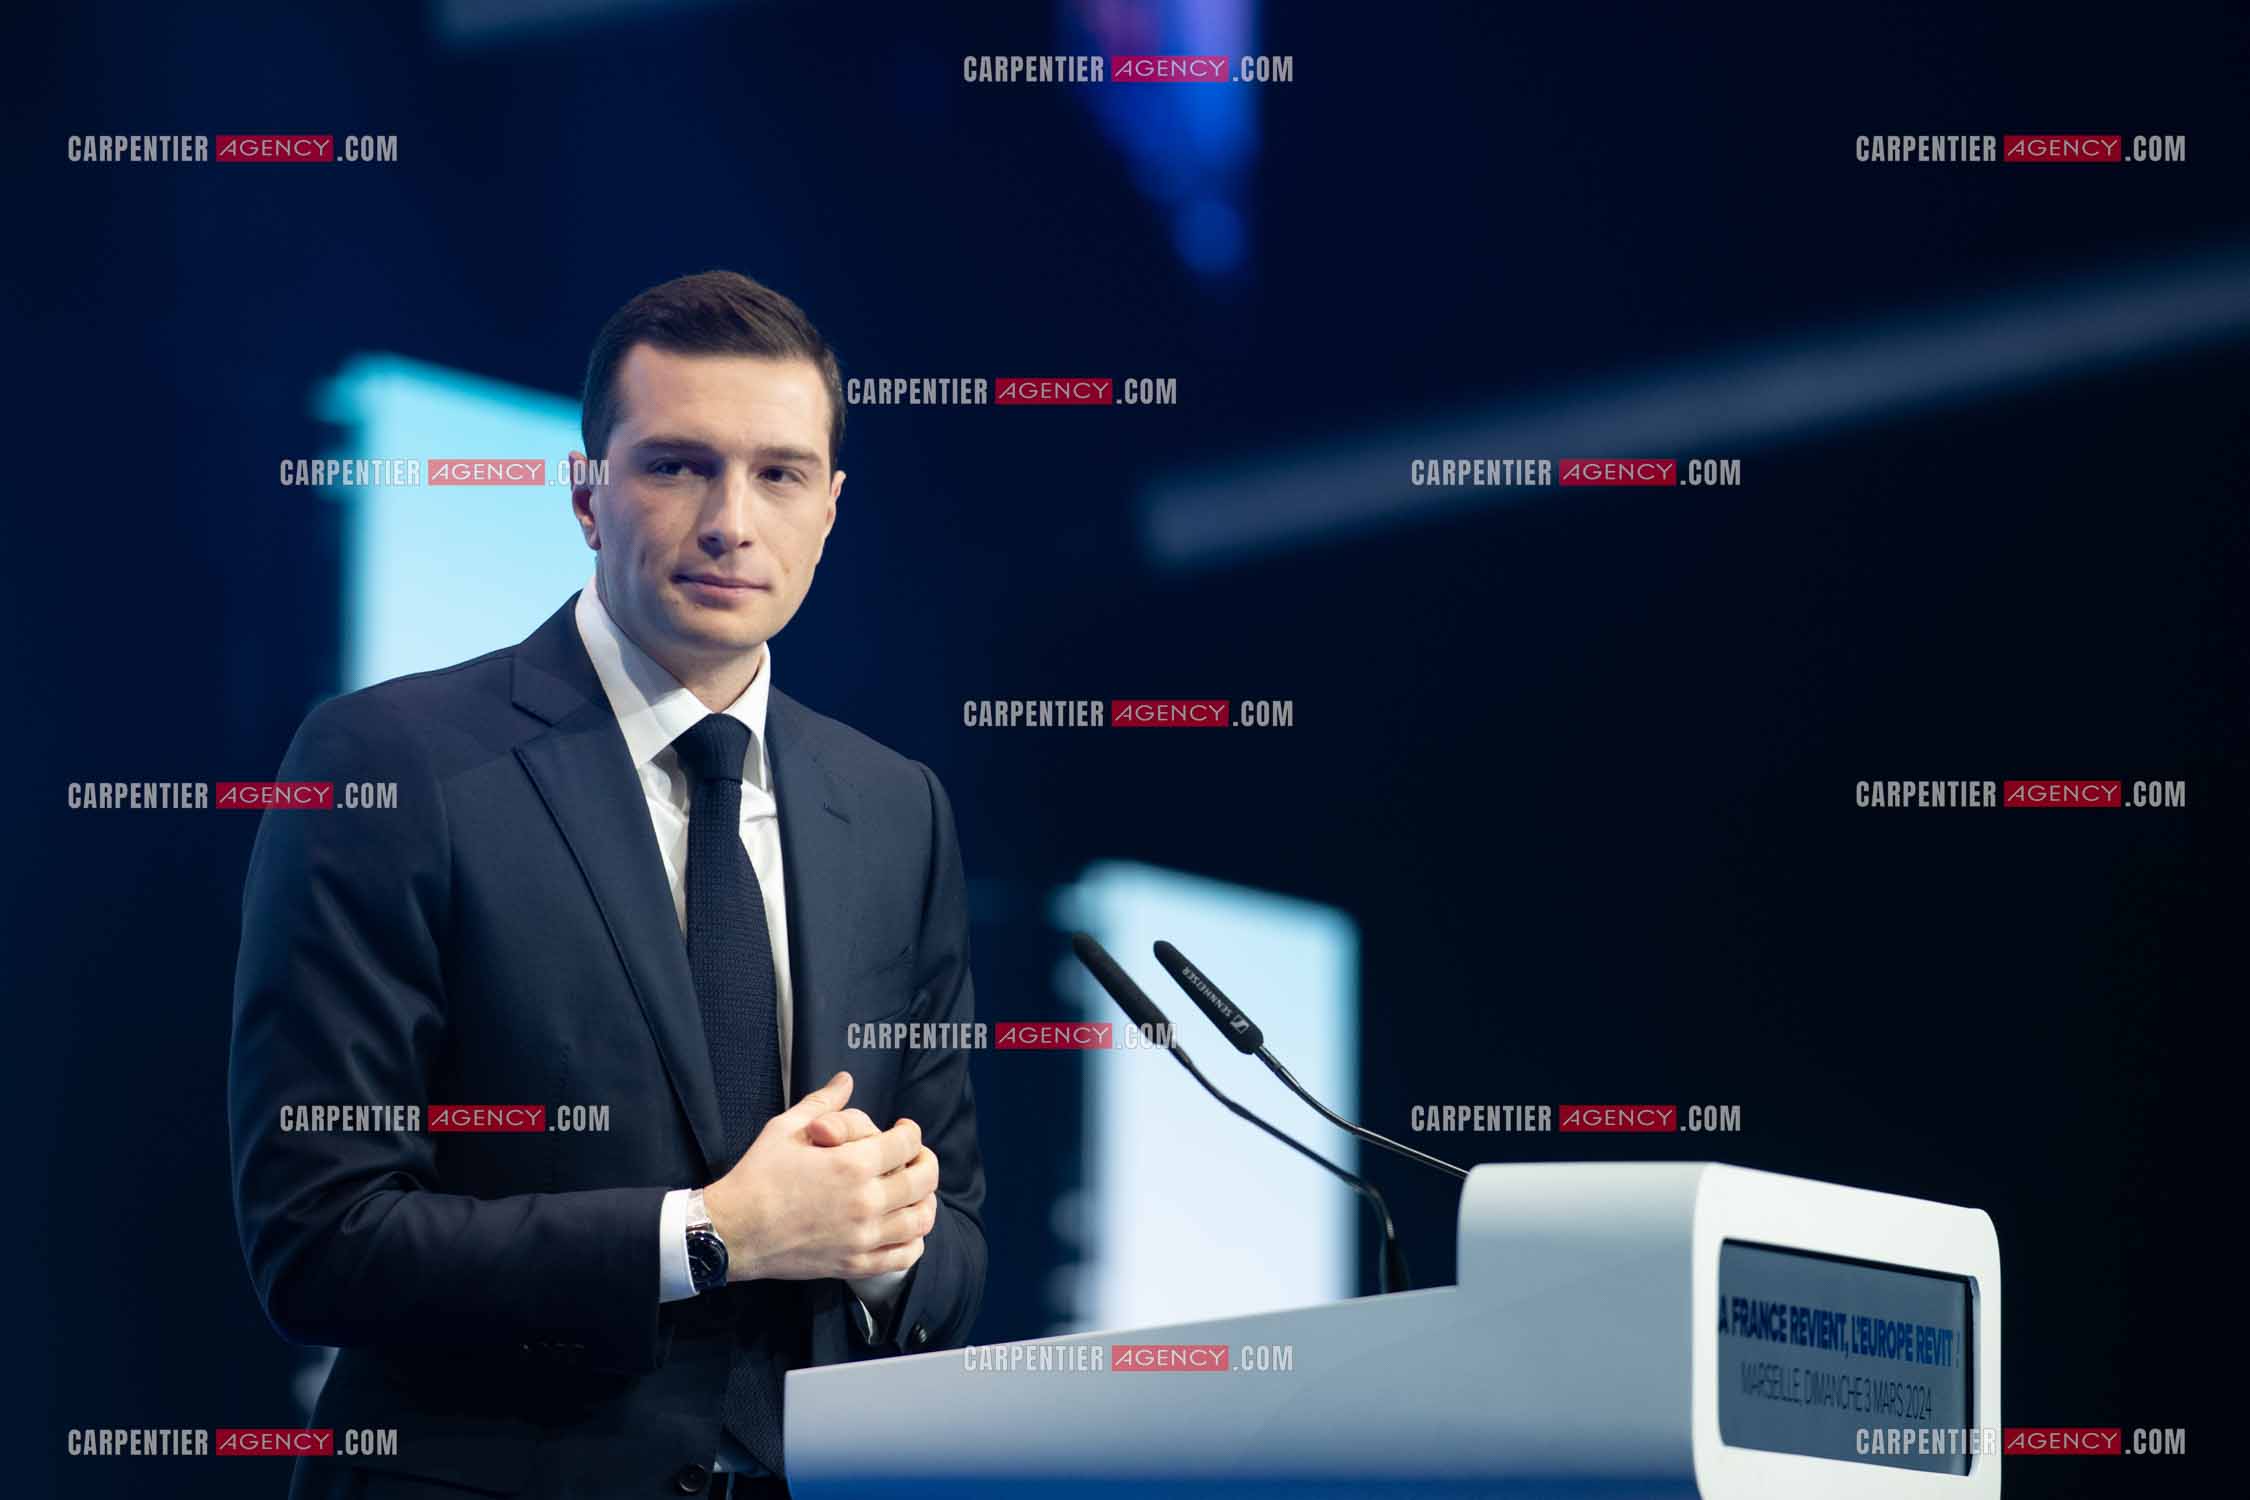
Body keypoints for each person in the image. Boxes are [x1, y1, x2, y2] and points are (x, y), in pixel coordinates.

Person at [229, 270, 986, 1498]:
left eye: (781, 474)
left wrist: (884, 1242)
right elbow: (318, 1240)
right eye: (679, 465)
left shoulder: (896, 810)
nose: (732, 520)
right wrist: (713, 1236)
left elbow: (956, 1240)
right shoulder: (393, 765)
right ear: (585, 494)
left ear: (834, 508)